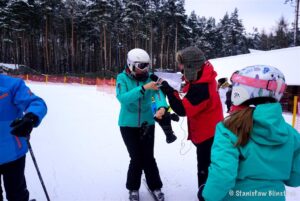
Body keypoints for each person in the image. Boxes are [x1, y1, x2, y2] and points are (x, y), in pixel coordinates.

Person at [200, 65, 300, 201]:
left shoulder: (229, 128)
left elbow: (223, 174)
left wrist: (208, 196)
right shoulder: (292, 134)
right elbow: (295, 179)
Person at [150, 46, 223, 189]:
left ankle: (206, 195)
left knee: (205, 169)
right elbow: (184, 91)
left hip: (208, 135)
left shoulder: (202, 87)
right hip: (207, 131)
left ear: (191, 65)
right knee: (208, 166)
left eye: (182, 64)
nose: (179, 67)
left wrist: (167, 89)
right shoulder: (202, 75)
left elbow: (182, 109)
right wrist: (163, 82)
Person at [116, 48, 168, 201]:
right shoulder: (122, 78)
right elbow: (123, 98)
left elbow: (158, 94)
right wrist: (144, 88)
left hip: (147, 123)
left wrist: (161, 107)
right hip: (127, 124)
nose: (145, 69)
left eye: (147, 65)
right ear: (131, 64)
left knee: (148, 157)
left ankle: (155, 186)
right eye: (141, 65)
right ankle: (133, 188)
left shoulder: (150, 78)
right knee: (136, 157)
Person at [0, 73, 47, 201]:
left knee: (17, 194)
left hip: (13, 154)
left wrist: (30, 117)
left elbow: (37, 102)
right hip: (14, 152)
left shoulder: (11, 85)